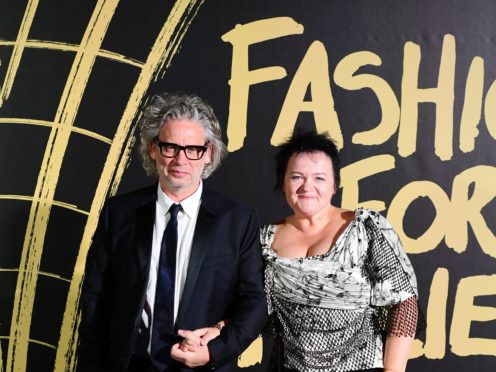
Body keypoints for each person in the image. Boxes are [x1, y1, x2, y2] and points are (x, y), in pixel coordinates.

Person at [77, 93, 268, 372]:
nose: (181, 159)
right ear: (153, 149)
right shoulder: (118, 213)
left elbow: (254, 301)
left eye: (193, 149)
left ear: (209, 154)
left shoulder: (237, 220)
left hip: (201, 366)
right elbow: (96, 297)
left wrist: (213, 352)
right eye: (170, 147)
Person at [260, 131, 423, 372]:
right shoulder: (264, 239)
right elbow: (249, 305)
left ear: (335, 184)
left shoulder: (366, 227)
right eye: (296, 177)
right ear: (282, 182)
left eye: (319, 178)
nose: (307, 187)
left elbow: (404, 303)